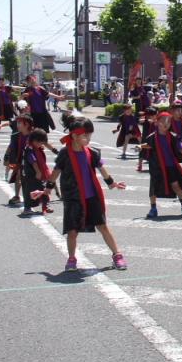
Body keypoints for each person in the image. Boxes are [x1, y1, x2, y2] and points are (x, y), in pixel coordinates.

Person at [42, 116, 127, 272]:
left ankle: (117, 255)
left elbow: (102, 169)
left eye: (89, 135)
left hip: (92, 196)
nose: (88, 139)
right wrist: (47, 189)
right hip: (73, 197)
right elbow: (56, 172)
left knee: (103, 226)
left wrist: (112, 183)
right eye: (85, 136)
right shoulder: (65, 153)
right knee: (72, 231)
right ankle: (72, 259)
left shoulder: (92, 152)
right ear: (74, 136)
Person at [141, 111, 182, 218]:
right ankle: (153, 208)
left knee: (176, 186)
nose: (166, 124)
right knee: (153, 188)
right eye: (163, 121)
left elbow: (181, 147)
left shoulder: (173, 136)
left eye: (168, 121)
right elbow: (148, 145)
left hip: (170, 165)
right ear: (156, 123)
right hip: (157, 166)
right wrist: (140, 146)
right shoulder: (152, 136)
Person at [4, 114, 34, 206]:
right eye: (17, 122)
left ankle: (44, 196)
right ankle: (17, 196)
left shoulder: (34, 134)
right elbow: (11, 146)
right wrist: (6, 156)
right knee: (18, 177)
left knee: (38, 178)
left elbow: (42, 144)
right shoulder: (15, 136)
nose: (17, 124)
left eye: (20, 122)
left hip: (33, 160)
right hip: (21, 159)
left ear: (27, 124)